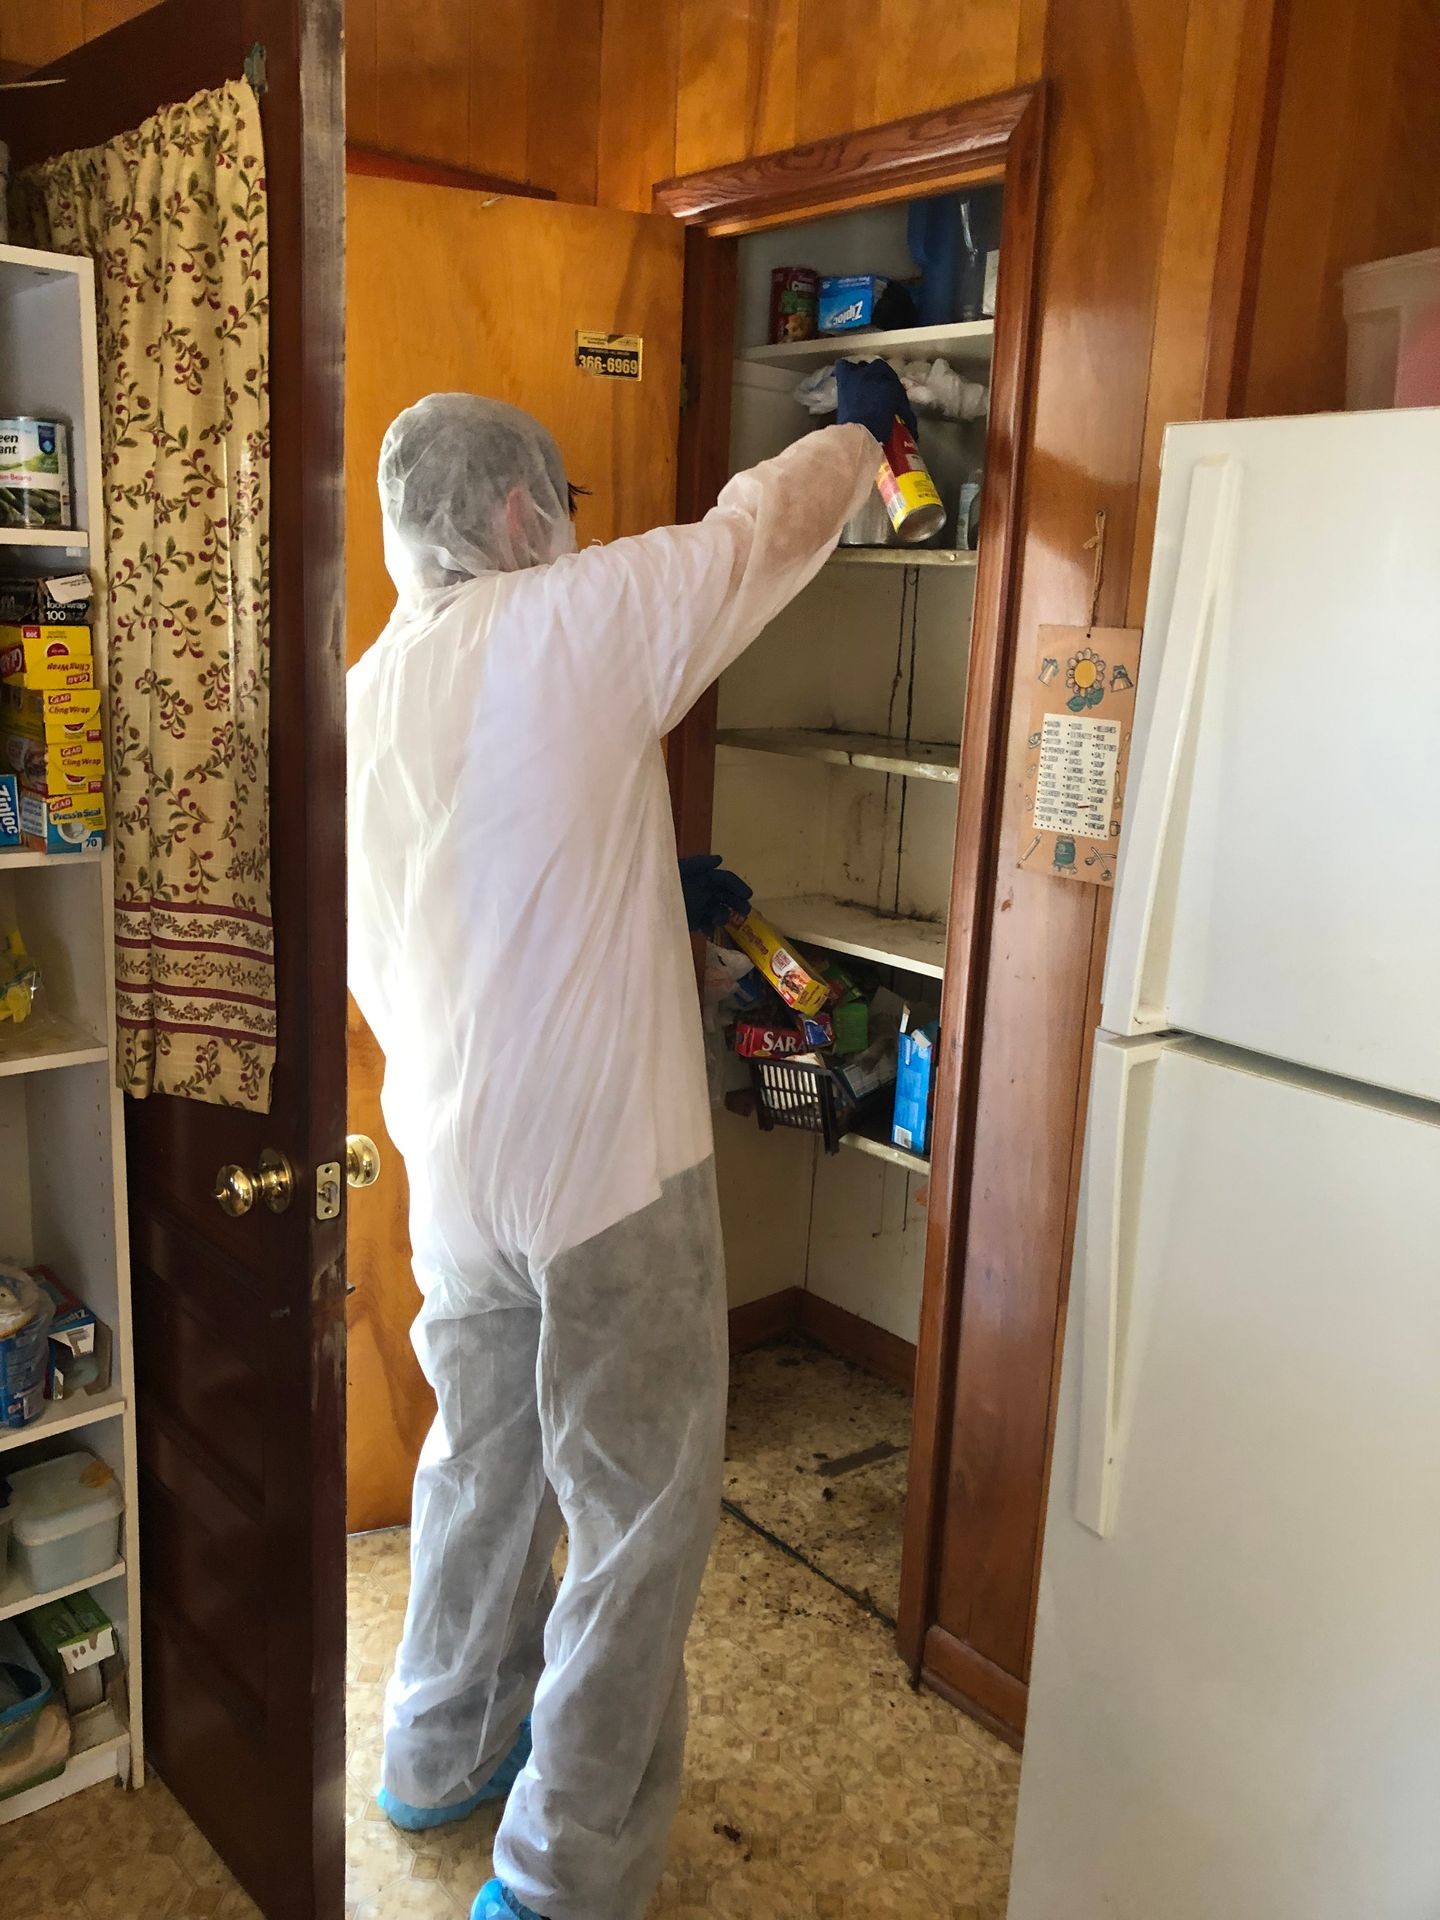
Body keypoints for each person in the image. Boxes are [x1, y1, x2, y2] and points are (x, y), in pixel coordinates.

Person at [347, 361, 918, 1920]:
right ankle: (564, 1870)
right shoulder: (572, 620)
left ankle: (437, 1746)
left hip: (456, 1165)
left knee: (479, 1469)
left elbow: (445, 912)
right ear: (523, 511)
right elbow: (758, 535)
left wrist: (624, 899)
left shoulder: (369, 694)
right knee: (635, 1513)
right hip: (608, 1173)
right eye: (566, 506)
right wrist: (859, 425)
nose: (575, 527)